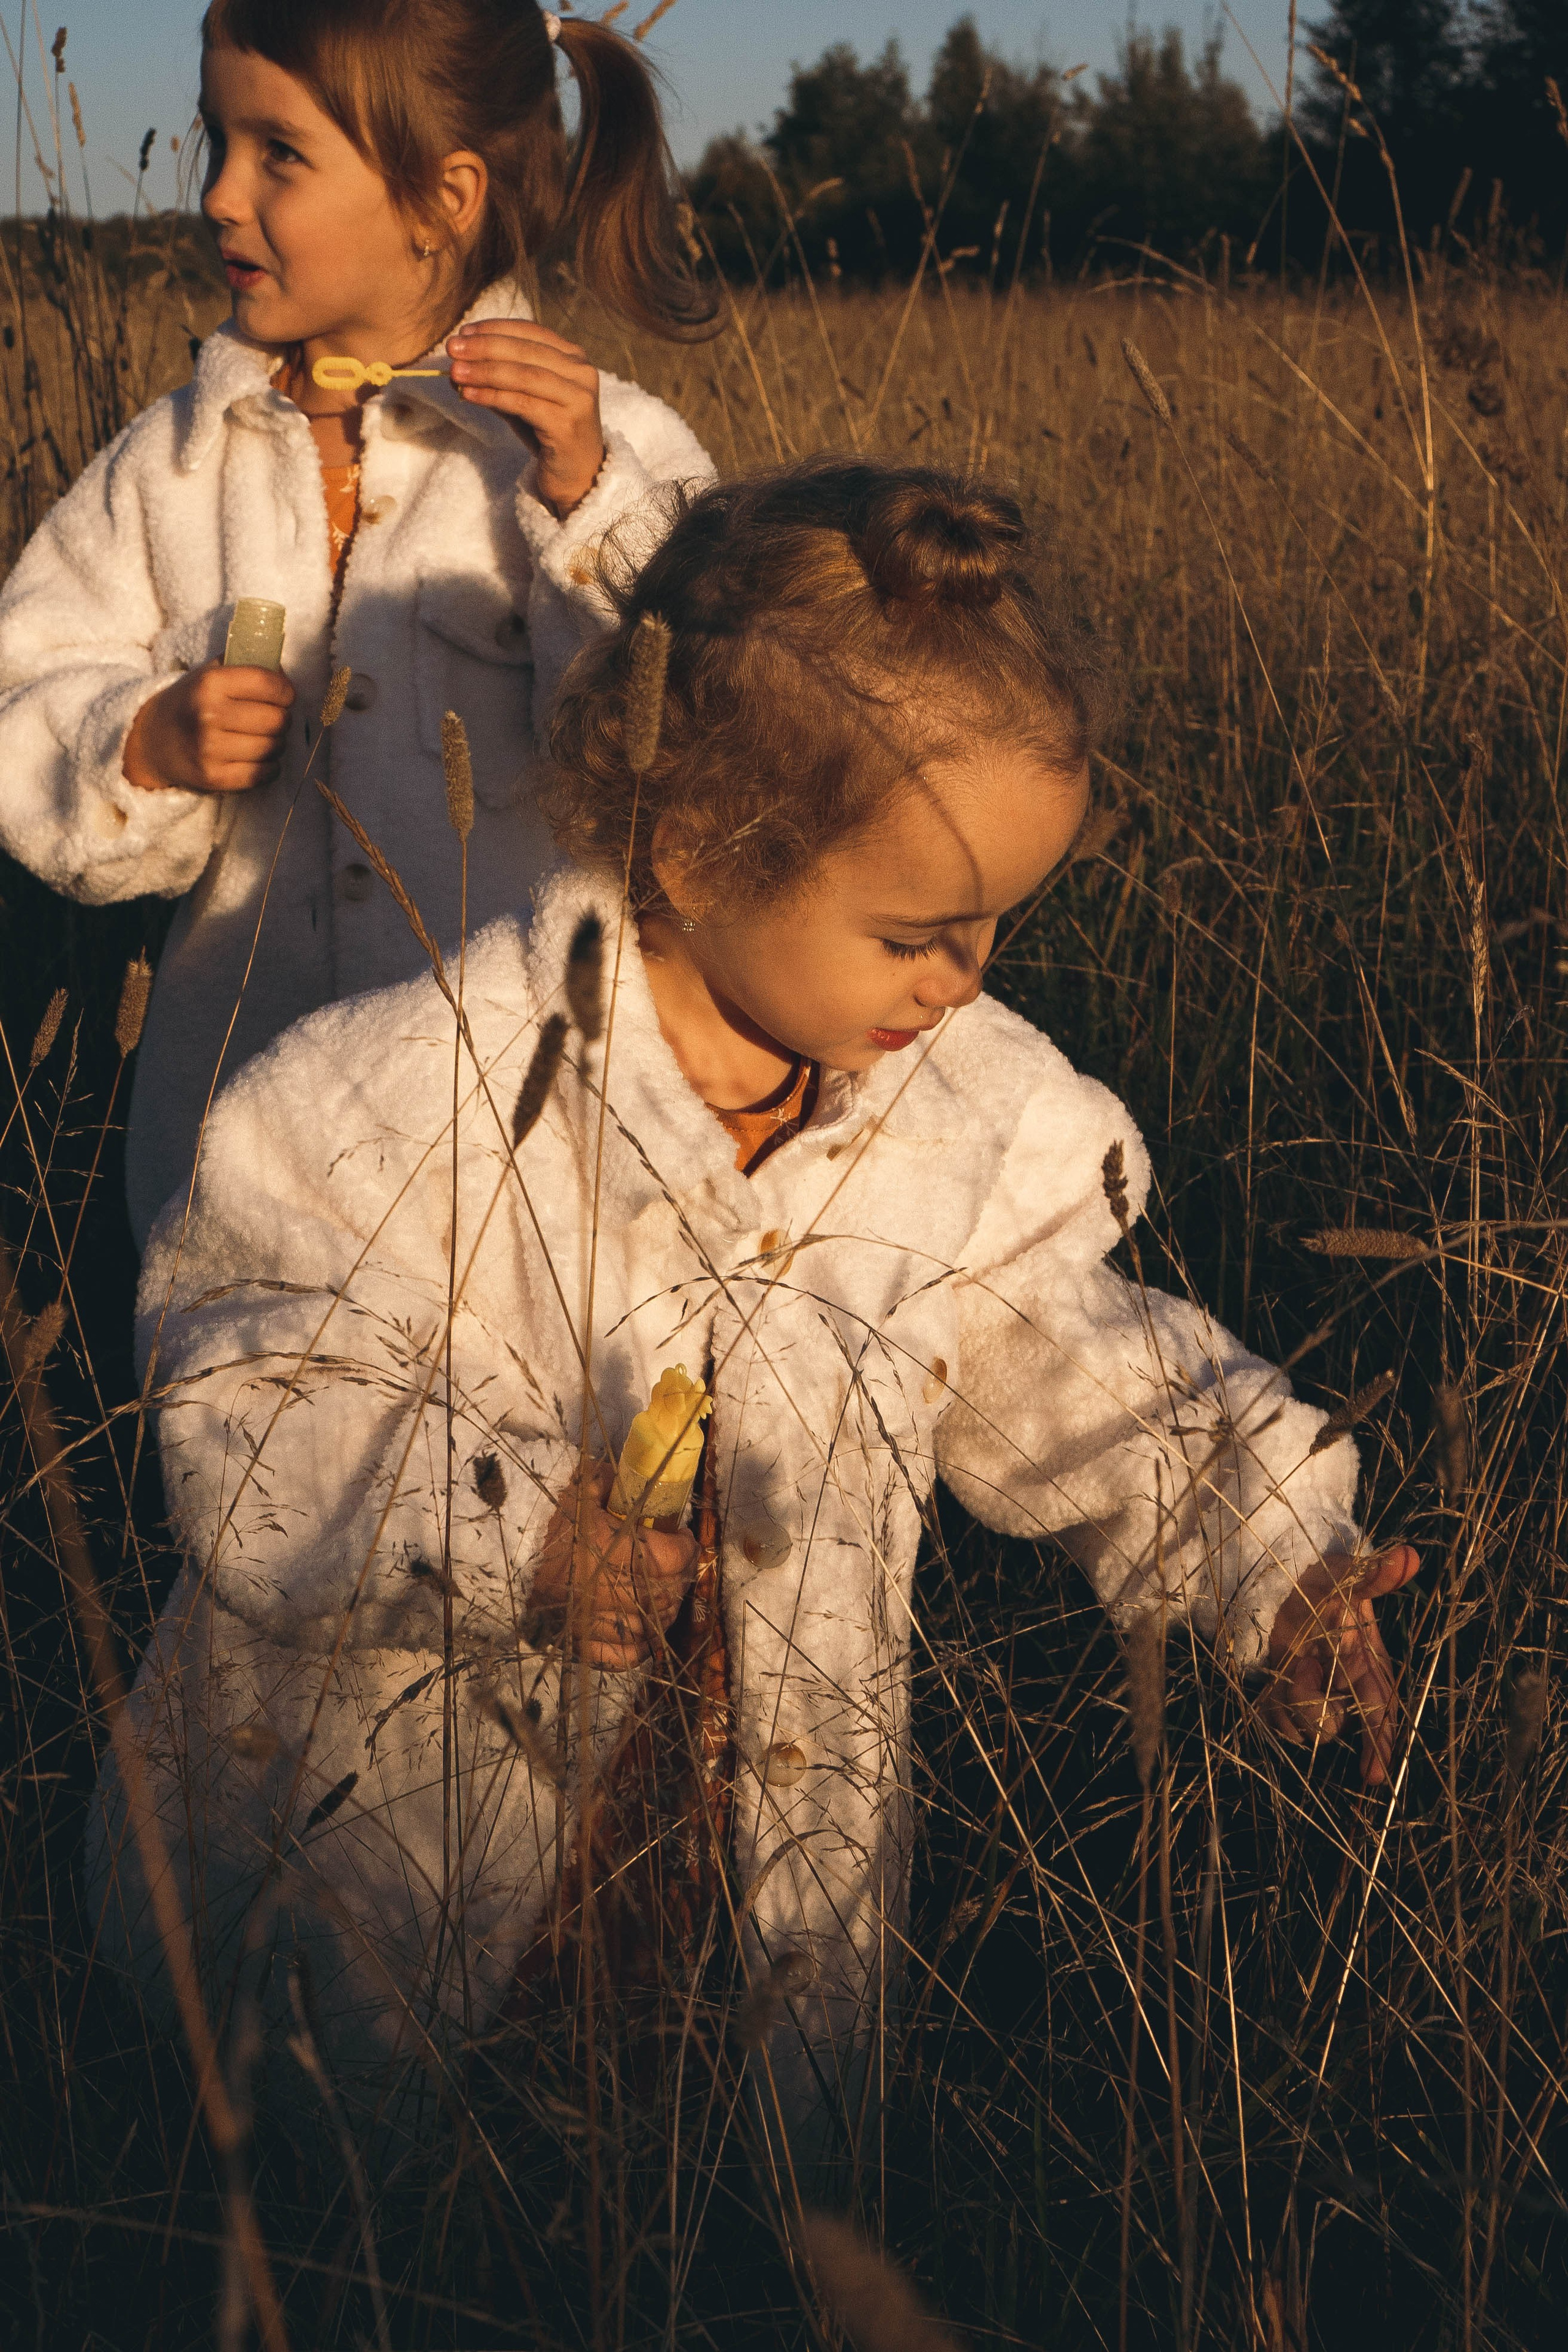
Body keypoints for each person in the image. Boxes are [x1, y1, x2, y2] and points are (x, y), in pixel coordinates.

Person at [86, 460, 1419, 2182]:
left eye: (999, 924)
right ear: (702, 847)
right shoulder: (398, 1101)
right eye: (919, 932)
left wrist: (1270, 1554)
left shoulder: (950, 1115)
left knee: (711, 2188)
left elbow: (1081, 1368)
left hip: (741, 1843)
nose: (969, 978)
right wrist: (505, 1529)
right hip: (386, 1850)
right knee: (402, 2190)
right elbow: (247, 1403)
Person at [0, 0, 714, 1244]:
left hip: (515, 1150)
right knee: (246, 1420)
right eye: (215, 139)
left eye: (277, 152)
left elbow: (693, 738)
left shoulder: (603, 452)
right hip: (234, 1138)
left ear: (444, 194)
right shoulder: (170, 465)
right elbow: (28, 684)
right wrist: (142, 744)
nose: (221, 195)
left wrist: (587, 511)